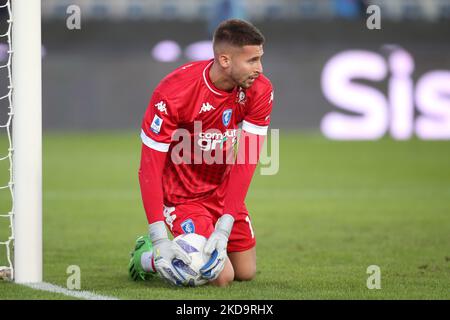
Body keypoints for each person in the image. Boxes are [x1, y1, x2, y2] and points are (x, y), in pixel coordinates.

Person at [128, 19, 273, 287]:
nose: (259, 69)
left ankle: (198, 238)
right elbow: (148, 167)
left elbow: (248, 158)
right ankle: (145, 257)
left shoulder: (260, 90)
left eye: (260, 59)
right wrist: (159, 236)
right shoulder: (174, 93)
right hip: (183, 197)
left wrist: (226, 221)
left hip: (221, 190)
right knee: (222, 277)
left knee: (245, 271)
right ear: (225, 60)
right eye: (252, 60)